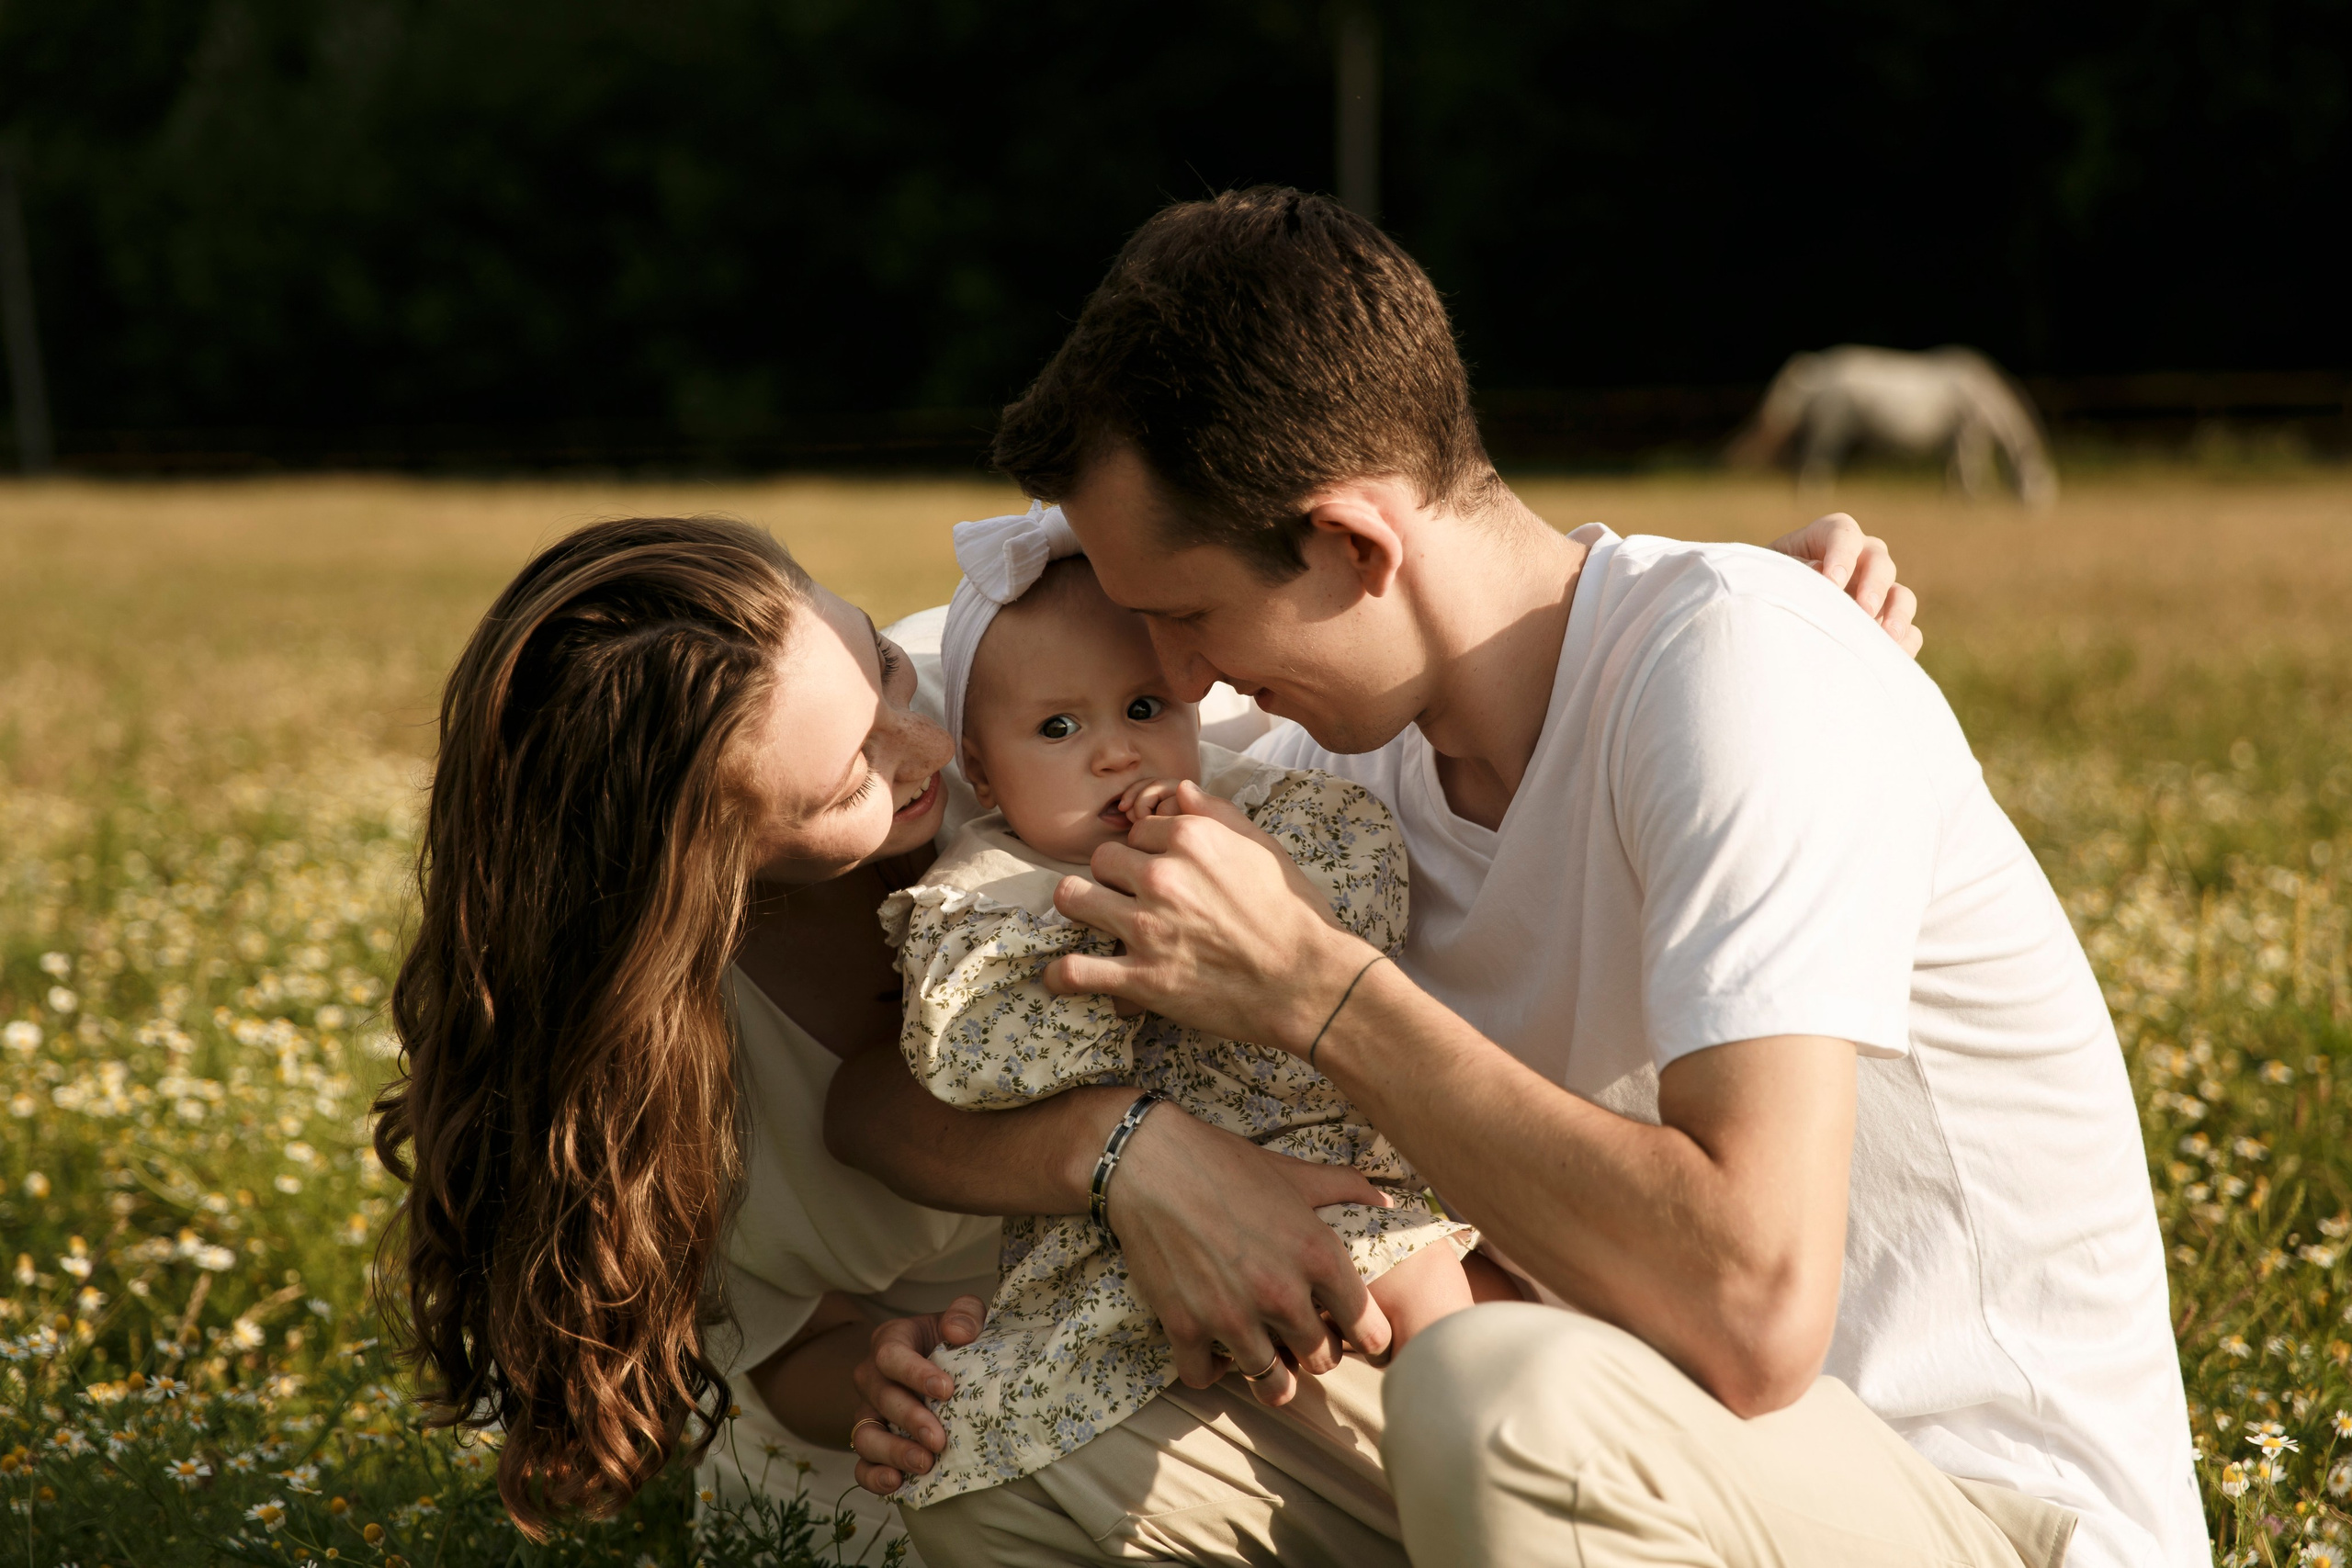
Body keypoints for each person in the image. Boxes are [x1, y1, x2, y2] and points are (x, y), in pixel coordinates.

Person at [839, 189, 2205, 1568]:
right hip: (1621, 1464)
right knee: (1004, 1463)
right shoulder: (1323, 748)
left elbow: (1754, 1312)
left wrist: (1321, 990)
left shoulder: (1743, 671)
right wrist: (1125, 1150)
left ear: (1356, 545)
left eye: (1188, 615)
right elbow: (873, 794)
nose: (1175, 677)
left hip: (1968, 1506)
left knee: (1495, 1397)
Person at [362, 455, 1913, 1558]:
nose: (912, 748)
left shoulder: (1000, 713)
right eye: (845, 783)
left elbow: (1364, 651)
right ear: (702, 870)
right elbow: (775, 1345)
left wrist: (1734, 616)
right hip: (954, 1450)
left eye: (879, 670)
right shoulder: (681, 1053)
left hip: (1259, 1366)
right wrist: (885, 1383)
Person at [882, 502, 1477, 1513]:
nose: (1116, 753)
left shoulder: (1254, 814)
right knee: (980, 1434)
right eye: (1058, 729)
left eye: (1147, 709)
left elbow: (1363, 914)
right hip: (1124, 1236)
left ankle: (1482, 1482)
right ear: (981, 770)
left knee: (1433, 1316)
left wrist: (1265, 885)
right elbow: (972, 1062)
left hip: (1330, 1155)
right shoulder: (990, 896)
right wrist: (1102, 940)